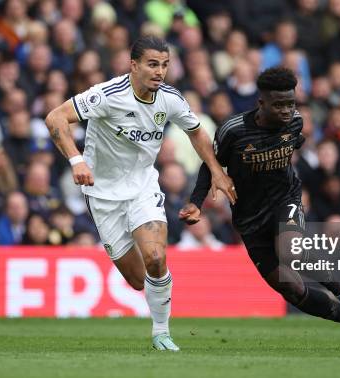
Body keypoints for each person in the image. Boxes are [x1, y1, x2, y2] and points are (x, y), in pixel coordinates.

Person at [45, 35, 235, 351]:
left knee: (156, 258)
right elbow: (55, 118)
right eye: (152, 64)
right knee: (137, 280)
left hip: (143, 187)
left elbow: (196, 131)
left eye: (164, 65)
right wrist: (77, 160)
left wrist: (217, 171)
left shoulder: (170, 99)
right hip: (102, 195)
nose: (159, 72)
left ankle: (161, 332)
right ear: (133, 65)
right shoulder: (107, 95)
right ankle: (158, 308)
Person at [180, 67, 340, 350]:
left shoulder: (295, 122)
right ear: (261, 103)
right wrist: (195, 202)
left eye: (291, 103)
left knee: (291, 252)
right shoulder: (234, 130)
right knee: (291, 287)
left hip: (284, 199)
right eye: (279, 104)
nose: (287, 110)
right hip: (248, 217)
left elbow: (293, 146)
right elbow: (210, 166)